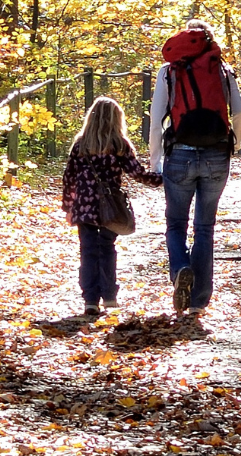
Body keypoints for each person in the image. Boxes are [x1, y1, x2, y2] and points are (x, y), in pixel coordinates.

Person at [149, 19, 241, 315]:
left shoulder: (169, 71)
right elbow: (239, 112)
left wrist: (155, 161)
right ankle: (198, 301)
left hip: (179, 154)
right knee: (205, 227)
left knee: (176, 223)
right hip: (217, 154)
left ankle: (180, 269)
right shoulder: (221, 68)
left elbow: (156, 120)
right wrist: (237, 144)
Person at [61, 96, 163, 316]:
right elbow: (137, 173)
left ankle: (90, 299)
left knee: (87, 251)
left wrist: (68, 207)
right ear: (117, 119)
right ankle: (109, 296)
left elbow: (69, 177)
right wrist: (160, 179)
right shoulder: (119, 144)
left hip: (84, 207)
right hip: (110, 207)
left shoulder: (81, 144)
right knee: (107, 248)